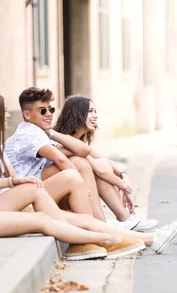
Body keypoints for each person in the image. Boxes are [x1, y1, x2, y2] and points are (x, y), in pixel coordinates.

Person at [0, 93, 177, 261]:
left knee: (54, 213)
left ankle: (142, 237)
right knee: (46, 221)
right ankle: (110, 238)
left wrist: (15, 181)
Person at [0, 92, 92, 215]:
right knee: (70, 179)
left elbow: (15, 179)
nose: (8, 115)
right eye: (4, 111)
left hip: (13, 199)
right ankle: (94, 226)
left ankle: (95, 225)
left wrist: (24, 194)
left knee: (73, 189)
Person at [53, 94, 158, 231]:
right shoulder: (65, 141)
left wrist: (123, 175)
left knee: (103, 164)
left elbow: (104, 161)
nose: (95, 115)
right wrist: (125, 187)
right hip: (60, 198)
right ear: (77, 113)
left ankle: (126, 219)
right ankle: (114, 220)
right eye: (90, 111)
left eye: (95, 111)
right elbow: (99, 169)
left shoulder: (77, 141)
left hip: (74, 194)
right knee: (89, 165)